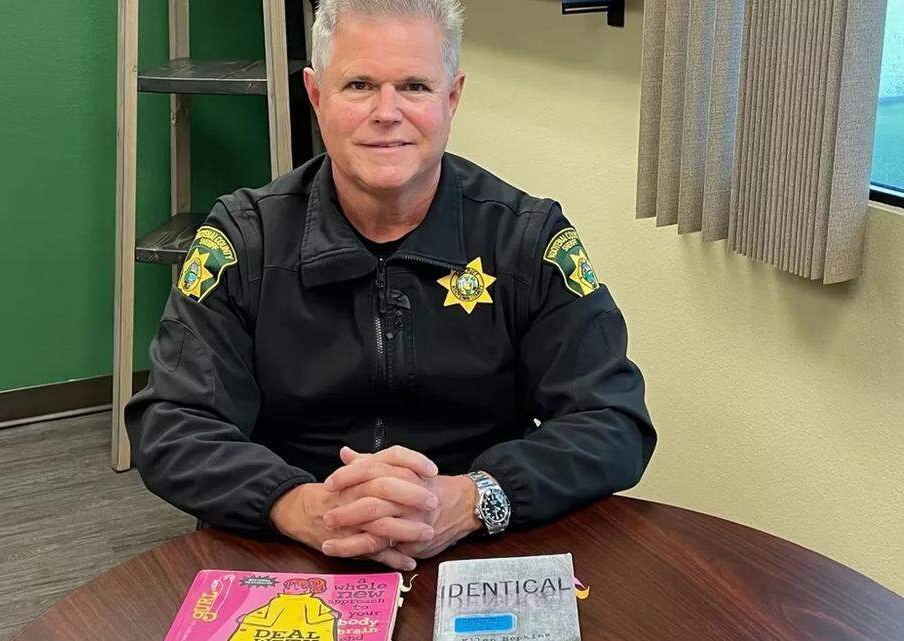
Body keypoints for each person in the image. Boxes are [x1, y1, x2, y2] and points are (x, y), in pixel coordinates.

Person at [125, 0, 656, 572]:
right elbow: (171, 423)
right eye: (358, 84)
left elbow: (613, 420)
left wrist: (477, 497)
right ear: (315, 94)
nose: (387, 112)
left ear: (451, 98)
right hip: (289, 539)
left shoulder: (526, 239)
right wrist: (300, 504)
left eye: (414, 86)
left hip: (484, 541)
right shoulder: (244, 239)